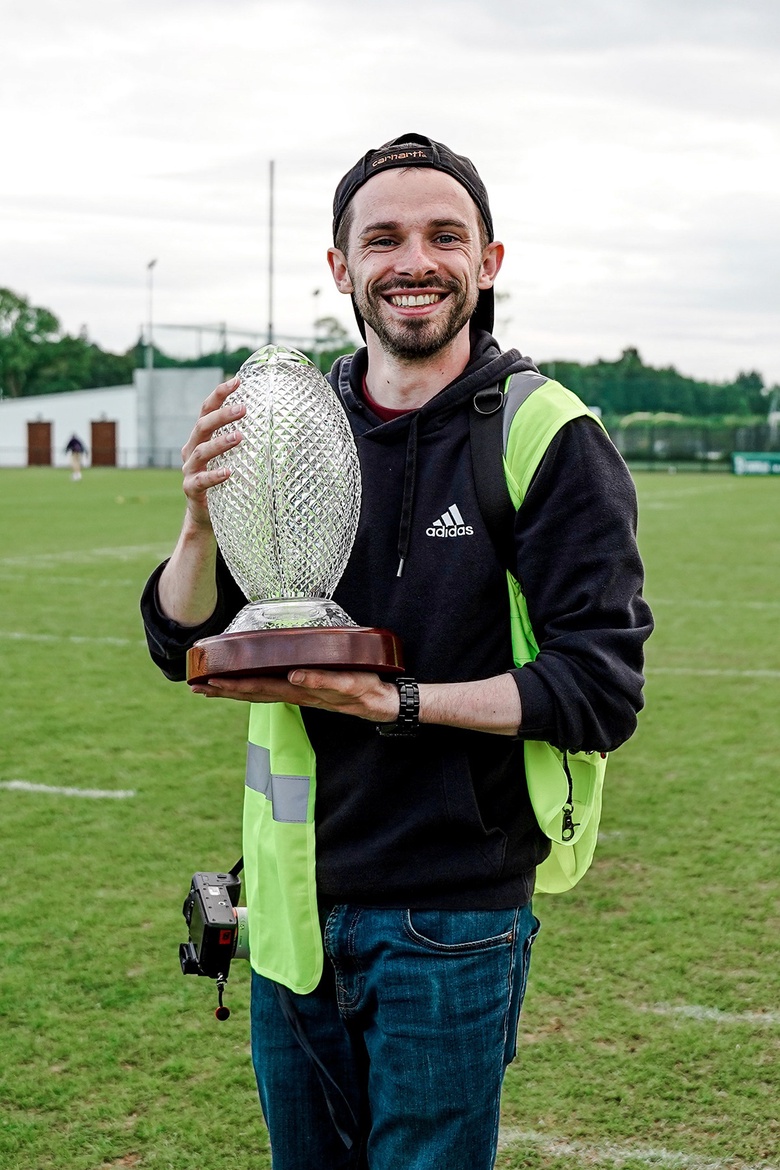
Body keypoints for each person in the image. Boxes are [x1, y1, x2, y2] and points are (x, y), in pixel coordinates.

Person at [141, 132, 653, 1170]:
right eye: (382, 239)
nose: (413, 260)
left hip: (450, 920)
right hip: (291, 906)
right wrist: (199, 525)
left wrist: (402, 703)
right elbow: (184, 640)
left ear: (489, 261)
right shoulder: (294, 421)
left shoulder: (545, 432)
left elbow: (599, 688)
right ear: (342, 269)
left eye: (442, 235)